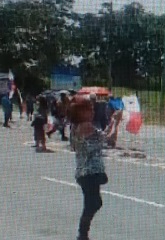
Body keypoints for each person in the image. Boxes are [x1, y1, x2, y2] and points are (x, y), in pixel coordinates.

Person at [69, 97, 108, 240]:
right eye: (89, 109)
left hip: (85, 172)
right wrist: (116, 122)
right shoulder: (86, 126)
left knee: (93, 203)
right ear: (81, 112)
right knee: (93, 203)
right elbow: (108, 139)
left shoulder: (75, 127)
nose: (92, 111)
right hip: (89, 172)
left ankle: (83, 234)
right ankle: (82, 234)